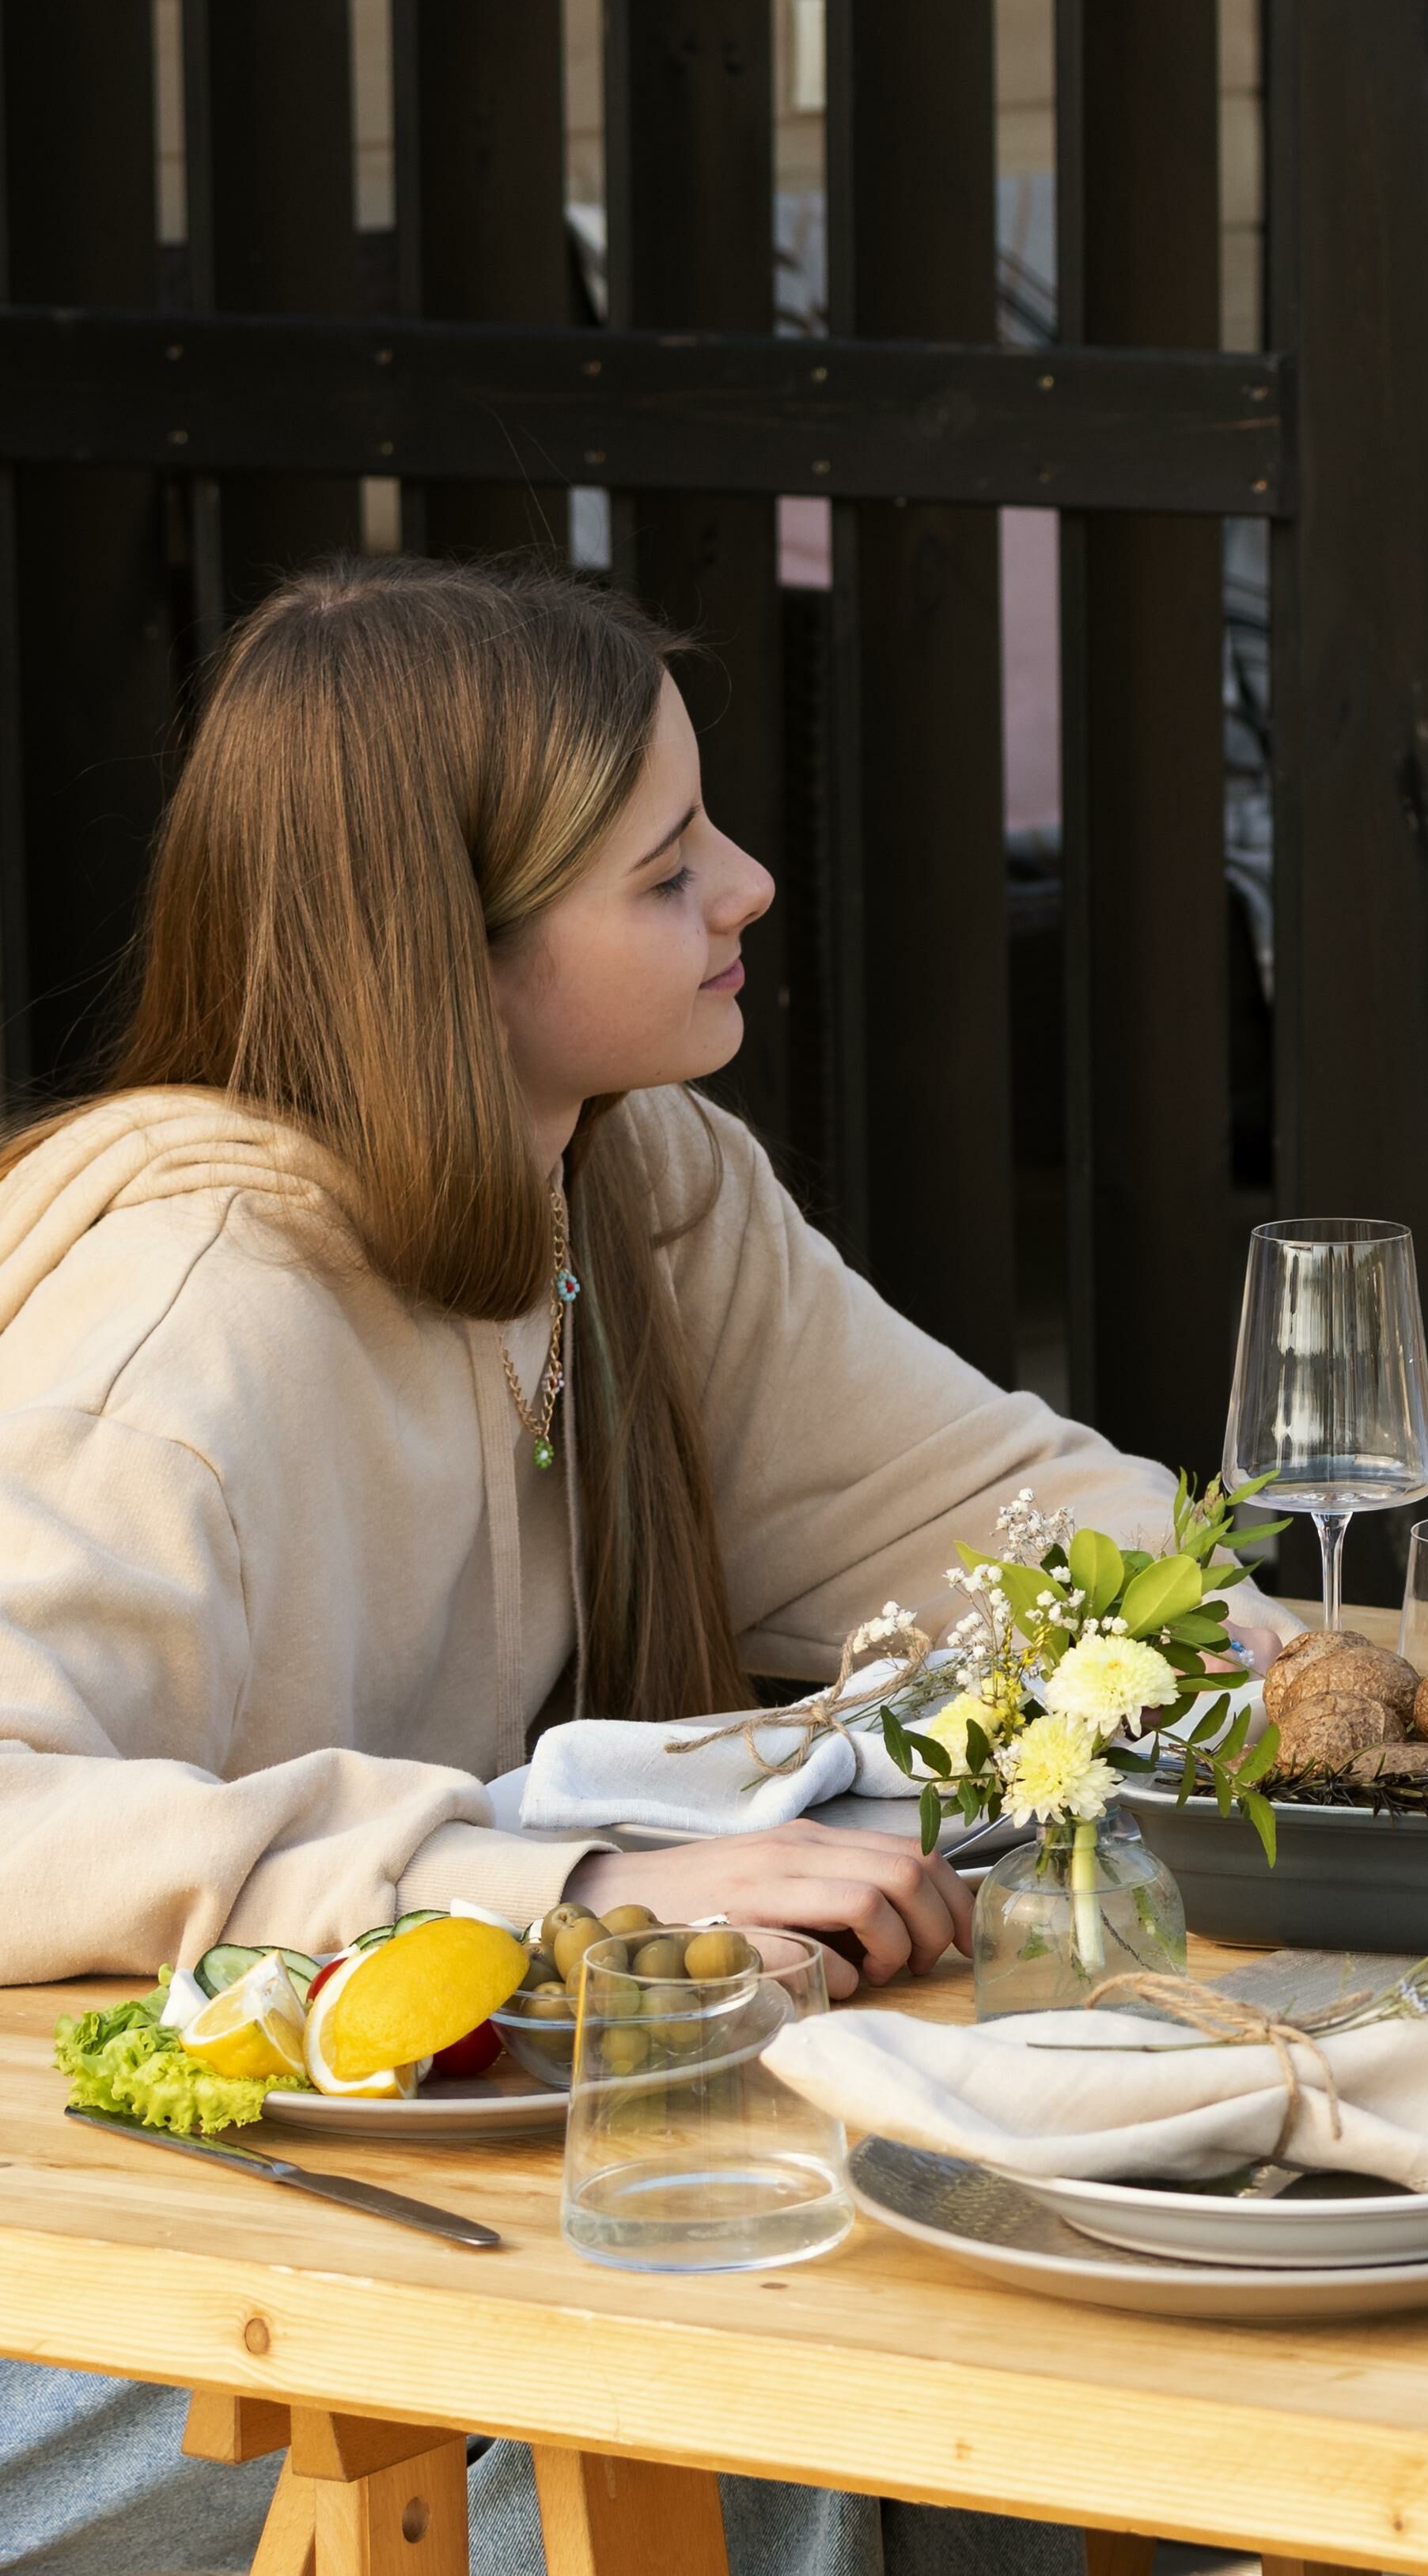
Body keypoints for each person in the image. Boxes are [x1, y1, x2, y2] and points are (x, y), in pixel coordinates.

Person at [0, 557, 1220, 2574]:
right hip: (70, 2300)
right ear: (452, 958)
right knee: (805, 2372)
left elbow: (985, 1511)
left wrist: (1366, 1670)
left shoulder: (629, 1180)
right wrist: (559, 1887)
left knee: (1019, 2260)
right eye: (666, 871)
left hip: (328, 2197)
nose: (745, 884)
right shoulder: (181, 1327)